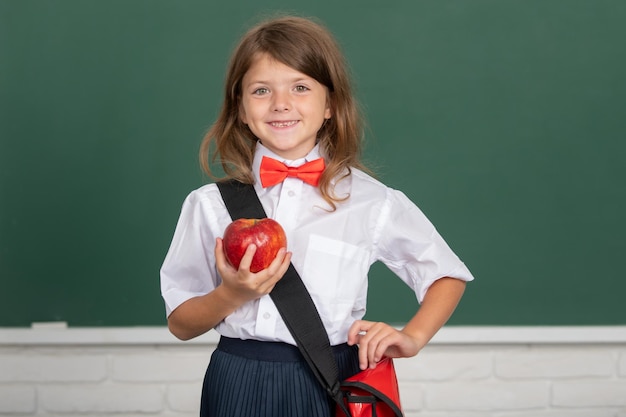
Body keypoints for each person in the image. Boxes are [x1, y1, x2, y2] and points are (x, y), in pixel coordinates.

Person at [160, 14, 474, 417]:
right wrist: (232, 293)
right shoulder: (208, 205)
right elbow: (181, 325)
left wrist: (412, 337)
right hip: (235, 378)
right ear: (239, 108)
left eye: (301, 87)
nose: (281, 104)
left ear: (330, 105)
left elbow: (445, 274)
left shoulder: (371, 201)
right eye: (260, 90)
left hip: (327, 378)